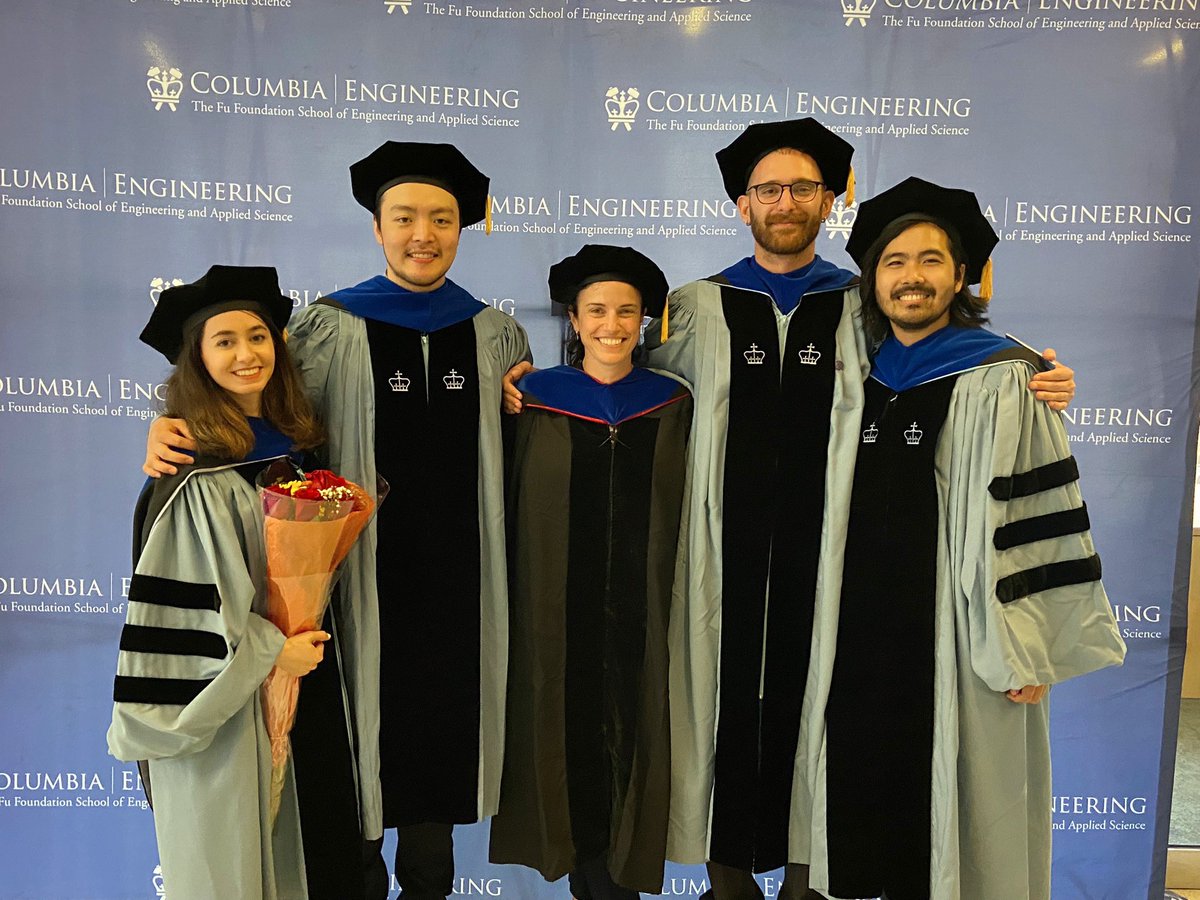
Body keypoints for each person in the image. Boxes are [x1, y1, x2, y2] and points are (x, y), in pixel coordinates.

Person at [503, 119, 1078, 900]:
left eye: (803, 187)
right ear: (743, 203)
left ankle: (811, 878)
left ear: (831, 199)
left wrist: (1032, 371)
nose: (785, 201)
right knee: (720, 710)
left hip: (833, 571)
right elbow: (627, 384)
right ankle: (728, 877)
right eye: (767, 188)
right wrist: (530, 388)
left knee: (822, 713)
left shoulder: (862, 306)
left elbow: (939, 362)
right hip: (717, 572)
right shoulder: (696, 308)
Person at [143, 142, 530, 900]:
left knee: (435, 781)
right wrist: (167, 425)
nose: (424, 233)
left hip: (462, 593)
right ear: (377, 229)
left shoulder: (495, 338)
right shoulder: (327, 329)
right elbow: (255, 407)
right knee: (351, 778)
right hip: (350, 596)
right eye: (405, 217)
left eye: (443, 219)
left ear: (463, 229)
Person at [798, 177, 1126, 900]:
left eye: (930, 260)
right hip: (857, 633)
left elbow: (1037, 520)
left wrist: (1031, 643)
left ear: (961, 275)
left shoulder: (1005, 376)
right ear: (873, 278)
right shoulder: (856, 375)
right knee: (867, 813)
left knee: (957, 825)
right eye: (894, 261)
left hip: (957, 634)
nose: (911, 276)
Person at [108, 264, 330, 900]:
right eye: (224, 341)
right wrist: (272, 652)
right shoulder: (191, 466)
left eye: (257, 336)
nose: (245, 354)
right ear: (198, 359)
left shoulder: (292, 446)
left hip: (288, 694)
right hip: (221, 711)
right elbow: (191, 604)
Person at [489, 246, 692, 899]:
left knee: (638, 735)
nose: (612, 324)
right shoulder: (534, 399)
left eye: (626, 311)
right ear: (573, 319)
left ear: (645, 321)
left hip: (648, 617)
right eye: (597, 310)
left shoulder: (673, 403)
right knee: (566, 733)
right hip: (553, 616)